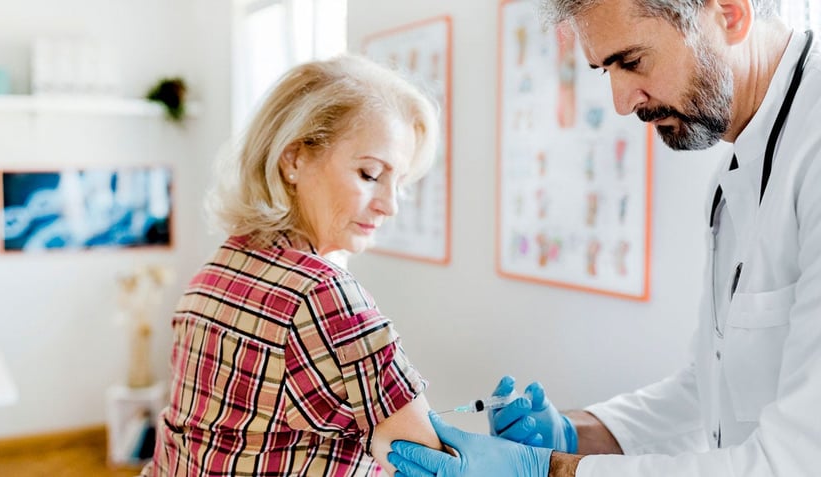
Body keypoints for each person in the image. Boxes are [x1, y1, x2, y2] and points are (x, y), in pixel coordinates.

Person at [388, 0, 821, 475]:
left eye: (632, 62)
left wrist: (549, 469)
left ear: (730, 14)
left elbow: (796, 460)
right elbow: (712, 388)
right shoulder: (737, 169)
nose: (621, 103)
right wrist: (584, 432)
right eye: (604, 70)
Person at [140, 54, 444, 476]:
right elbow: (433, 464)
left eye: (401, 183)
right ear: (294, 158)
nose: (390, 205)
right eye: (370, 174)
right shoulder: (322, 294)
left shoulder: (214, 274)